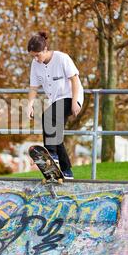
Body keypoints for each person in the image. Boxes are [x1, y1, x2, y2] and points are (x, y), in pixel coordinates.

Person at [26, 32, 84, 179]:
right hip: (55, 100)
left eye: (37, 55)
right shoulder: (35, 64)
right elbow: (34, 87)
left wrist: (75, 102)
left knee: (48, 117)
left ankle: (51, 154)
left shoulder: (62, 58)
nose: (36, 59)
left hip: (71, 97)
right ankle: (67, 171)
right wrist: (30, 105)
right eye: (33, 56)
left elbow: (75, 80)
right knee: (55, 132)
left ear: (45, 49)